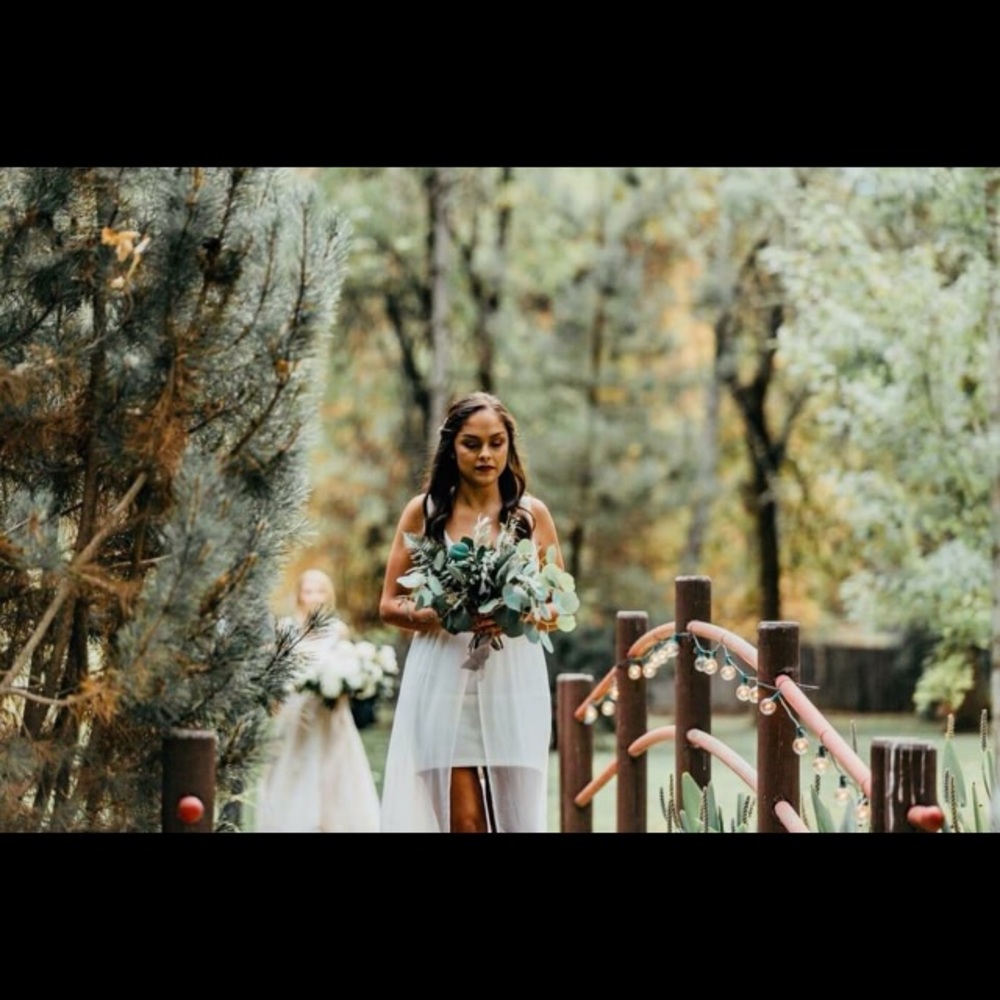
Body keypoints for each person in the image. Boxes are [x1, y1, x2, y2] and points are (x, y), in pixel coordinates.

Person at [378, 392, 566, 833]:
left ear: (508, 446)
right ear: (452, 447)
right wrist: (440, 612)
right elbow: (388, 604)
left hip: (513, 685)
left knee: (517, 822)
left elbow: (556, 604)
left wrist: (519, 612)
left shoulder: (531, 514)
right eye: (472, 444)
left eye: (496, 443)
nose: (486, 454)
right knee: (464, 823)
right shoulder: (424, 512)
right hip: (441, 682)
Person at [253, 568, 381, 833]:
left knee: (334, 765)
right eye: (308, 591)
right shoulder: (286, 628)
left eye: (320, 591)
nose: (313, 596)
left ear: (328, 595)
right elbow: (276, 671)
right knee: (294, 763)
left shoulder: (338, 630)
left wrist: (345, 683)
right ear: (299, 594)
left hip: (331, 713)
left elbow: (348, 666)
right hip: (297, 713)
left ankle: (335, 821)